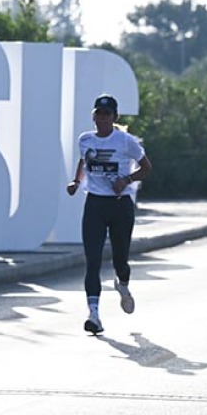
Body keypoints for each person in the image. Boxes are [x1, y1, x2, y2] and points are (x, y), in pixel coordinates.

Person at [66, 94, 153, 334]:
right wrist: (76, 181)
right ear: (94, 116)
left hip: (119, 205)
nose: (102, 119)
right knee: (92, 261)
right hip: (95, 204)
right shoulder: (85, 139)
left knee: (120, 260)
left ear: (114, 117)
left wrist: (126, 180)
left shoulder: (126, 141)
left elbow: (146, 167)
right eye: (98, 114)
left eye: (107, 115)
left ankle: (122, 284)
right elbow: (85, 161)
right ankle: (93, 315)